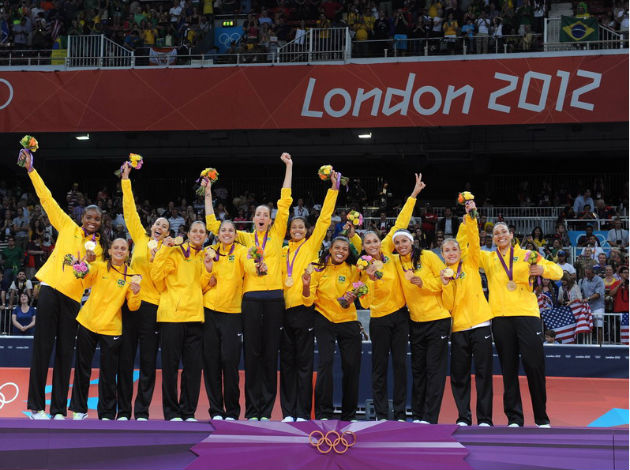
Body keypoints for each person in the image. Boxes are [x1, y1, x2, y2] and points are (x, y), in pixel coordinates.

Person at [205, 153, 293, 421]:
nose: (262, 217)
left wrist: (289, 167)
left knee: (270, 355)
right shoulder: (244, 239)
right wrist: (207, 193)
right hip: (251, 299)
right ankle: (252, 410)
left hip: (275, 298)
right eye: (258, 214)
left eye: (266, 214)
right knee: (252, 355)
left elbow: (285, 202)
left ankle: (266, 411)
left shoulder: (277, 234)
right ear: (253, 219)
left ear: (271, 219)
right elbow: (214, 225)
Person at [22, 151, 107, 420]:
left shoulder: (100, 250)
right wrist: (31, 170)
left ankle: (59, 410)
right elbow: (47, 199)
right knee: (42, 349)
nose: (92, 221)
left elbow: (91, 282)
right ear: (83, 217)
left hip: (72, 300)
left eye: (96, 219)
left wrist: (90, 265)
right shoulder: (67, 227)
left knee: (64, 354)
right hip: (50, 290)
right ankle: (36, 408)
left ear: (101, 223)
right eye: (89, 217)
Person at [480, 220, 562, 427]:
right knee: (508, 369)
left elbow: (557, 271)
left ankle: (541, 418)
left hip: (527, 315)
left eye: (503, 231)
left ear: (511, 234)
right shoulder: (488, 258)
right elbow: (467, 249)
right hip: (500, 317)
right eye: (496, 233)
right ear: (493, 238)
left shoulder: (527, 254)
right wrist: (469, 219)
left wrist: (542, 269)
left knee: (534, 366)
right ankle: (514, 418)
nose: (500, 235)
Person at [359, 173, 426, 421]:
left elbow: (400, 223)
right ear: (364, 247)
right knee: (379, 368)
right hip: (378, 320)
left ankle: (399, 413)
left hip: (399, 317)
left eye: (375, 240)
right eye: (368, 242)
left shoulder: (389, 250)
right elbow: (364, 302)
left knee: (399, 366)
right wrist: (369, 279)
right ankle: (380, 414)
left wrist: (413, 195)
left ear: (380, 241)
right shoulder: (362, 268)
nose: (373, 244)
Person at [279, 171, 342, 422]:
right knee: (287, 364)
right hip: (283, 312)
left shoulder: (312, 245)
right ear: (289, 230)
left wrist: (333, 189)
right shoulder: (282, 251)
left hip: (305, 311)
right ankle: (288, 413)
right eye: (293, 227)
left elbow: (324, 219)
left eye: (300, 227)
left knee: (304, 365)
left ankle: (302, 413)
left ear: (306, 230)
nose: (297, 229)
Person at [117, 163, 171, 421]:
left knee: (148, 363)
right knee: (125, 361)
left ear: (168, 233)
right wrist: (126, 180)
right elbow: (129, 211)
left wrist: (167, 249)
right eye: (158, 223)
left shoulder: (170, 250)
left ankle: (141, 412)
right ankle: (123, 411)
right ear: (152, 227)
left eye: (165, 226)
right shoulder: (140, 238)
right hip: (130, 304)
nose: (160, 226)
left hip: (153, 309)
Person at [68, 239, 142, 420]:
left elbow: (133, 307)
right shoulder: (100, 266)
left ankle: (107, 414)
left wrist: (136, 292)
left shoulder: (132, 275)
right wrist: (82, 264)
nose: (119, 251)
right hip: (88, 322)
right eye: (116, 247)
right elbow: (84, 278)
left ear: (128, 253)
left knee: (108, 373)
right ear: (109, 251)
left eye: (123, 248)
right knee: (82, 368)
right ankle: (79, 410)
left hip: (111, 328)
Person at [151, 221, 214, 421]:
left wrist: (209, 270)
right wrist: (164, 249)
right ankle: (171, 413)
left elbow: (202, 286)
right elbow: (156, 276)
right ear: (188, 234)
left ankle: (188, 412)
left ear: (206, 237)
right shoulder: (175, 251)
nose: (198, 234)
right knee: (170, 369)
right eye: (194, 230)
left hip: (195, 318)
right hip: (172, 316)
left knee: (193, 370)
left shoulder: (205, 256)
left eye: (202, 232)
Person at [441, 201, 494, 427]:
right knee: (459, 375)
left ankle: (485, 419)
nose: (452, 253)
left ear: (460, 251)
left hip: (481, 324)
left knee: (483, 374)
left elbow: (474, 240)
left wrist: (471, 218)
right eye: (447, 250)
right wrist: (445, 284)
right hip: (459, 329)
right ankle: (463, 417)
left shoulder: (471, 263)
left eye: (454, 249)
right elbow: (447, 305)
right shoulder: (444, 273)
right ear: (442, 254)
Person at [392, 228, 450, 424]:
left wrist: (422, 282)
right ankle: (417, 416)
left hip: (437, 319)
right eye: (397, 242)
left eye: (404, 241)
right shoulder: (396, 262)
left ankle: (430, 418)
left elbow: (444, 280)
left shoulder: (427, 256)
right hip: (416, 322)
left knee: (434, 370)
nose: (401, 245)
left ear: (412, 241)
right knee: (418, 370)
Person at [302, 237, 362, 421]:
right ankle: (323, 414)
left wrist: (352, 297)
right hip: (324, 318)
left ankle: (349, 415)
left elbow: (357, 292)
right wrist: (305, 285)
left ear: (348, 252)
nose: (340, 251)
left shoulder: (354, 270)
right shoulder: (318, 267)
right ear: (330, 249)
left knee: (351, 367)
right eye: (337, 247)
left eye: (345, 249)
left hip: (348, 320)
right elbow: (308, 300)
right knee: (325, 364)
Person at [199, 219, 248, 421]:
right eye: (223, 230)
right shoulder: (208, 251)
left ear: (235, 234)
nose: (227, 233)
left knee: (230, 362)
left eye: (230, 230)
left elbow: (251, 271)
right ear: (218, 234)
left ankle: (232, 411)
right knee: (211, 363)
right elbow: (200, 283)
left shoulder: (242, 252)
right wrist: (208, 273)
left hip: (233, 313)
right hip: (209, 311)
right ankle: (216, 411)